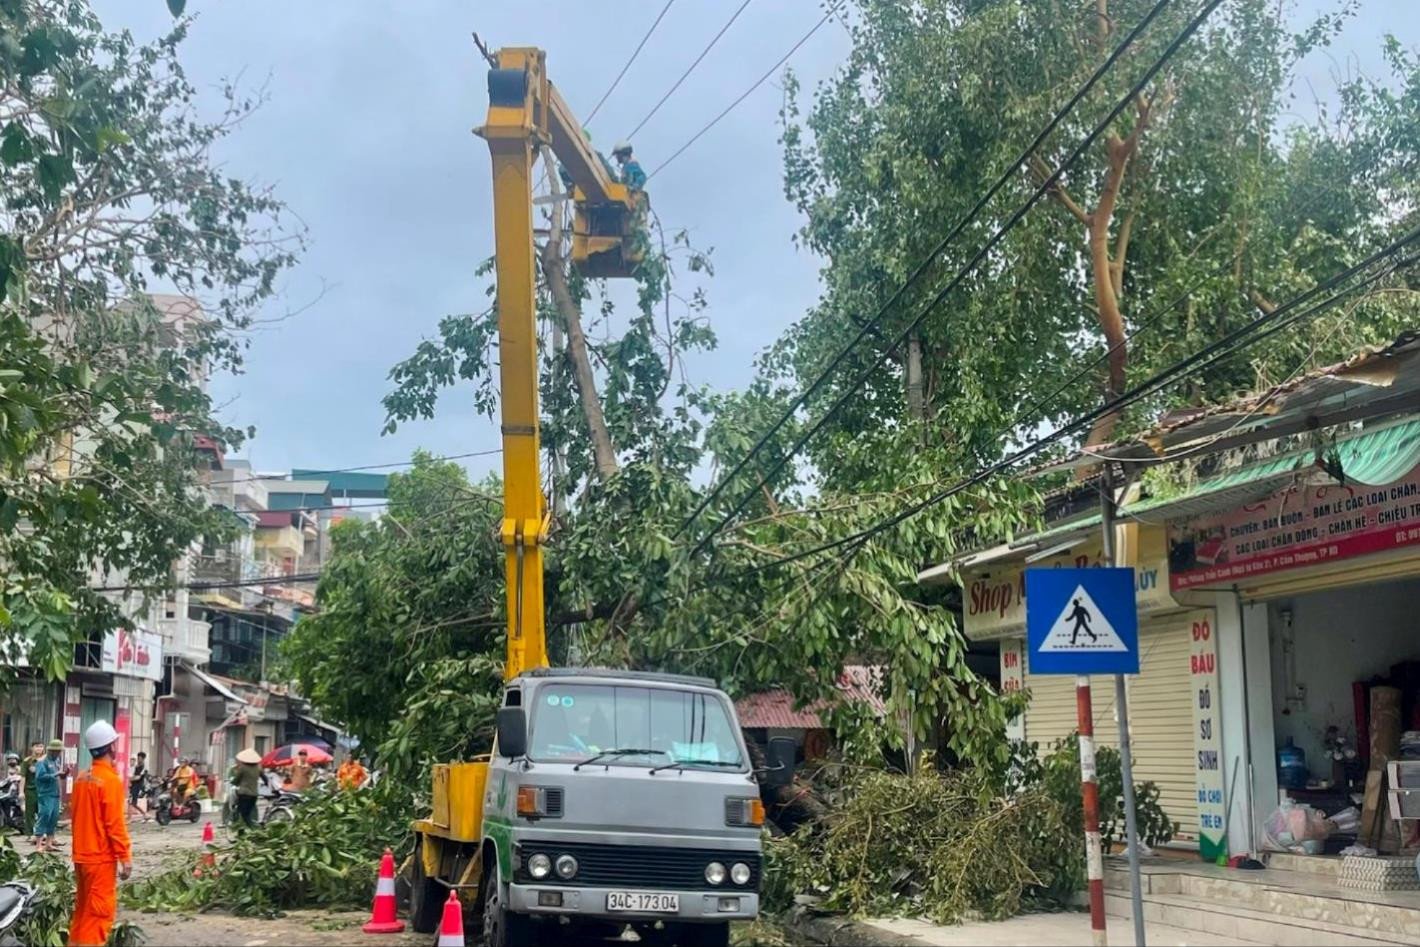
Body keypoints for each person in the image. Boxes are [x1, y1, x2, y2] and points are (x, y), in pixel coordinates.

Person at [69, 720, 132, 947]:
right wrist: (125, 857)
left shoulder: (80, 779)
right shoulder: (110, 781)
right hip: (100, 860)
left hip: (82, 858)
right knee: (97, 919)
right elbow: (114, 825)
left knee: (83, 915)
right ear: (112, 747)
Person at [33, 739, 64, 853]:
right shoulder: (42, 762)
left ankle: (49, 844)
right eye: (58, 751)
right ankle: (38, 845)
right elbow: (40, 776)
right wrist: (55, 774)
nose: (59, 754)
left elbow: (58, 776)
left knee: (53, 818)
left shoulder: (56, 761)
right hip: (45, 794)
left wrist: (64, 774)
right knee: (44, 816)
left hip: (55, 793)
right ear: (52, 751)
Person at [231, 749, 262, 830]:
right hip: (254, 794)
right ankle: (248, 828)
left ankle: (253, 829)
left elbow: (236, 779)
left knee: (243, 814)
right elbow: (265, 778)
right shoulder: (258, 768)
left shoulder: (243, 768)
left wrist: (233, 782)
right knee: (248, 812)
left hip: (244, 794)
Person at [19, 741, 42, 840]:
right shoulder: (27, 761)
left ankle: (41, 833)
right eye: (37, 746)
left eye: (41, 747)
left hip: (42, 790)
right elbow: (23, 777)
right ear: (32, 748)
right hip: (30, 790)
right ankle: (30, 834)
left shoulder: (45, 760)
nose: (39, 749)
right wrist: (21, 792)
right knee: (30, 813)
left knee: (42, 812)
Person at [128, 752, 149, 822]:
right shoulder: (136, 766)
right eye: (138, 758)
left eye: (139, 758)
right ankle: (145, 814)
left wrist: (130, 779)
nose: (138, 759)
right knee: (133, 803)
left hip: (138, 786)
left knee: (131, 802)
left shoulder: (144, 767)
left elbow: (138, 777)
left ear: (143, 759)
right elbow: (134, 775)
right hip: (134, 785)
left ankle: (129, 818)